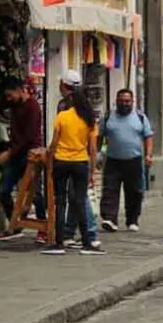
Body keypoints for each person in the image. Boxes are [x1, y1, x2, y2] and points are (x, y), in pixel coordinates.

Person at [44, 83, 103, 255]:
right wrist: (93, 171)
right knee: (79, 201)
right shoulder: (90, 120)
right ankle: (86, 241)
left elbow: (54, 143)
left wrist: (49, 159)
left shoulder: (62, 116)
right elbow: (92, 148)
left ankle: (59, 242)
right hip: (80, 162)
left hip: (61, 161)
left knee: (60, 201)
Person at [0, 78, 46, 240]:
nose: (8, 99)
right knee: (3, 190)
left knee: (36, 192)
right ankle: (15, 223)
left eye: (10, 95)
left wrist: (9, 153)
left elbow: (29, 136)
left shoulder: (32, 107)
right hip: (17, 154)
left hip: (31, 154)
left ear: (19, 90)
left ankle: (43, 227)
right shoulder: (14, 105)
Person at [98, 89, 153, 233]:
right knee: (110, 189)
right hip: (113, 160)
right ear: (116, 101)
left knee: (134, 192)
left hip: (134, 160)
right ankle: (110, 218)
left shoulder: (140, 117)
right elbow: (101, 137)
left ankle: (132, 220)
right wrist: (99, 153)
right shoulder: (109, 116)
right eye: (121, 101)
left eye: (127, 101)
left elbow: (148, 137)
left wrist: (148, 155)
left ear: (132, 102)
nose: (124, 104)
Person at [58, 70, 99, 248]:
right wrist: (93, 166)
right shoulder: (87, 108)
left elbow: (57, 135)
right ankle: (70, 232)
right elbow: (93, 144)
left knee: (76, 198)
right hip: (81, 159)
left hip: (65, 158)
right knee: (77, 196)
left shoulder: (64, 107)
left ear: (63, 85)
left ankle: (87, 233)